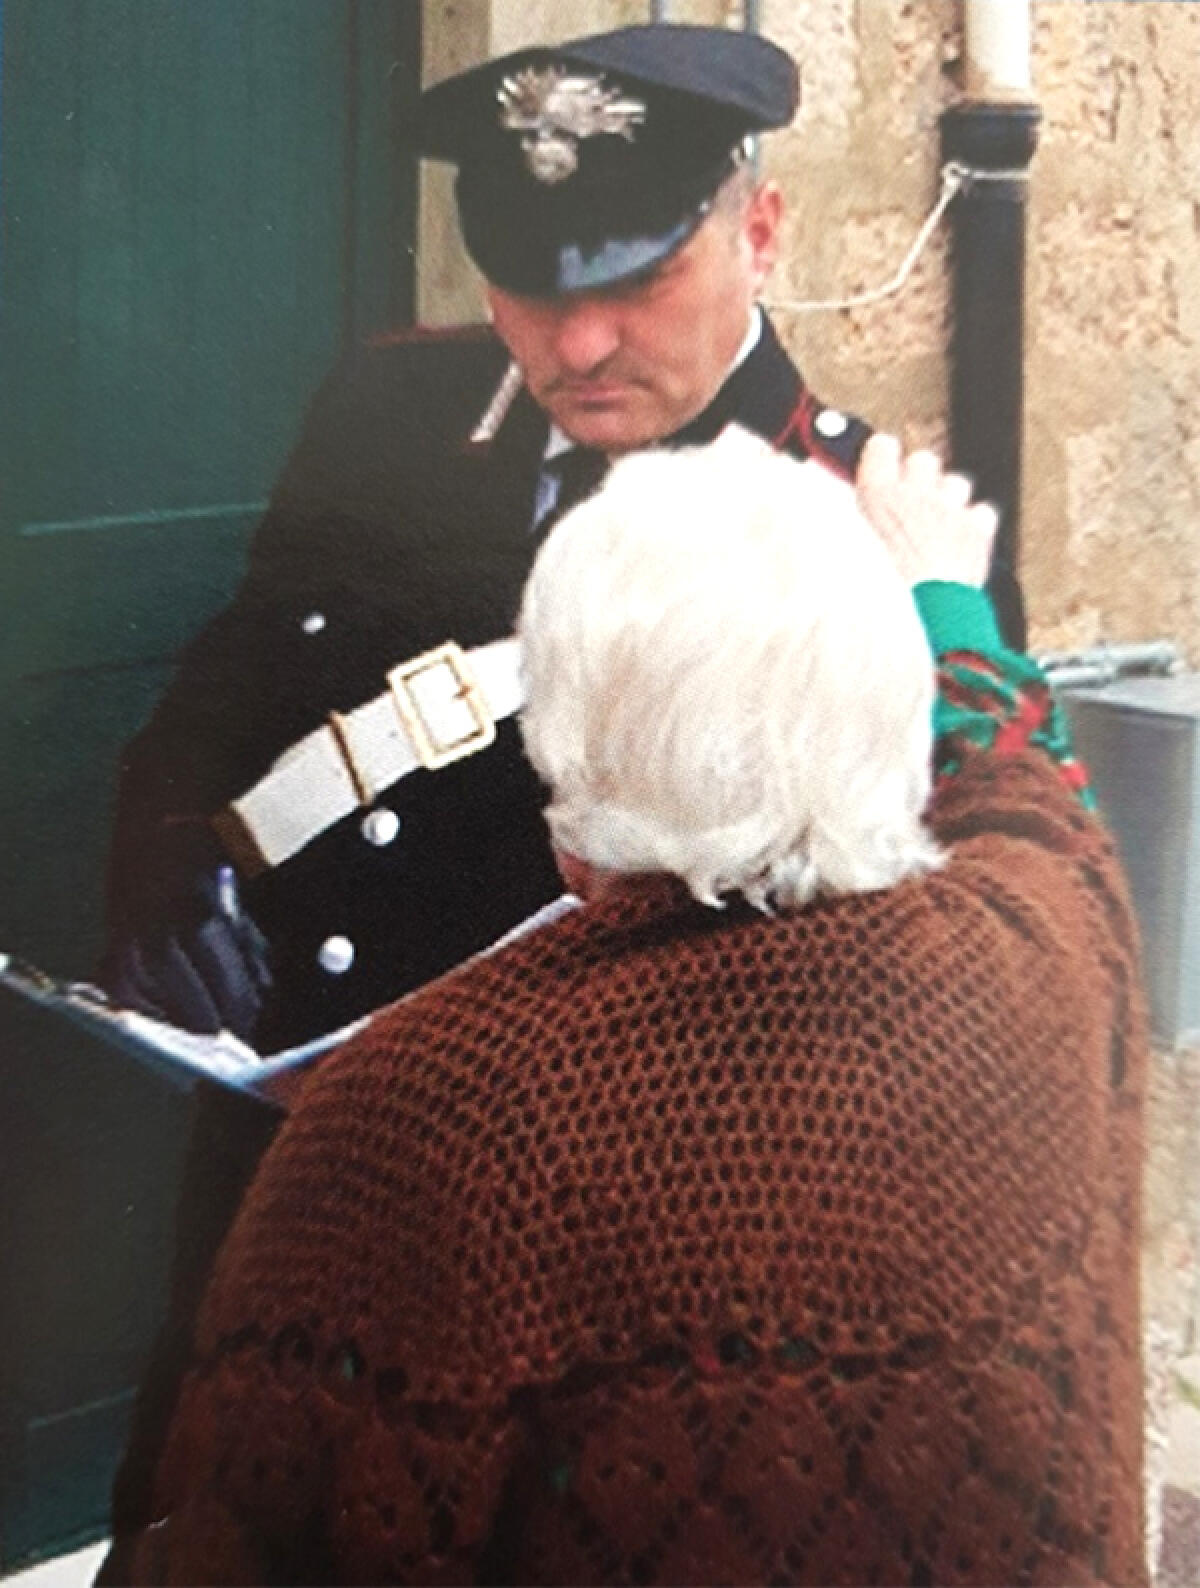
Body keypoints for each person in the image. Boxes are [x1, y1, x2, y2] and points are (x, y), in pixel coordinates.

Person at [102, 433, 1146, 1586]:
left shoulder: (412, 1137)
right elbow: (1030, 791)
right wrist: (945, 595)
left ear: (561, 785)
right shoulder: (1049, 956)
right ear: (893, 732)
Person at [97, 22, 1025, 1054]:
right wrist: (167, 852)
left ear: (759, 237)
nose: (580, 345)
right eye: (533, 288)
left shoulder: (872, 534)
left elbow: (919, 950)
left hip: (559, 1159)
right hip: (273, 1085)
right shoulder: (390, 408)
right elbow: (248, 657)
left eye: (639, 283)